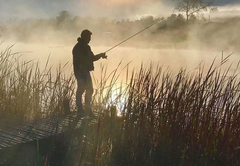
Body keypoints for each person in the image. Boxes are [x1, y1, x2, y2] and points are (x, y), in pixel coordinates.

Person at [72, 29, 107, 117]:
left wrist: (100, 55)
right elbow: (91, 58)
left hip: (79, 71)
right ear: (85, 37)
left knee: (82, 90)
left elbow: (89, 58)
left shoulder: (78, 46)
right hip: (83, 72)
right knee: (87, 90)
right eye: (89, 37)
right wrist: (100, 55)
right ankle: (85, 110)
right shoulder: (84, 47)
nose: (90, 39)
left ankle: (82, 110)